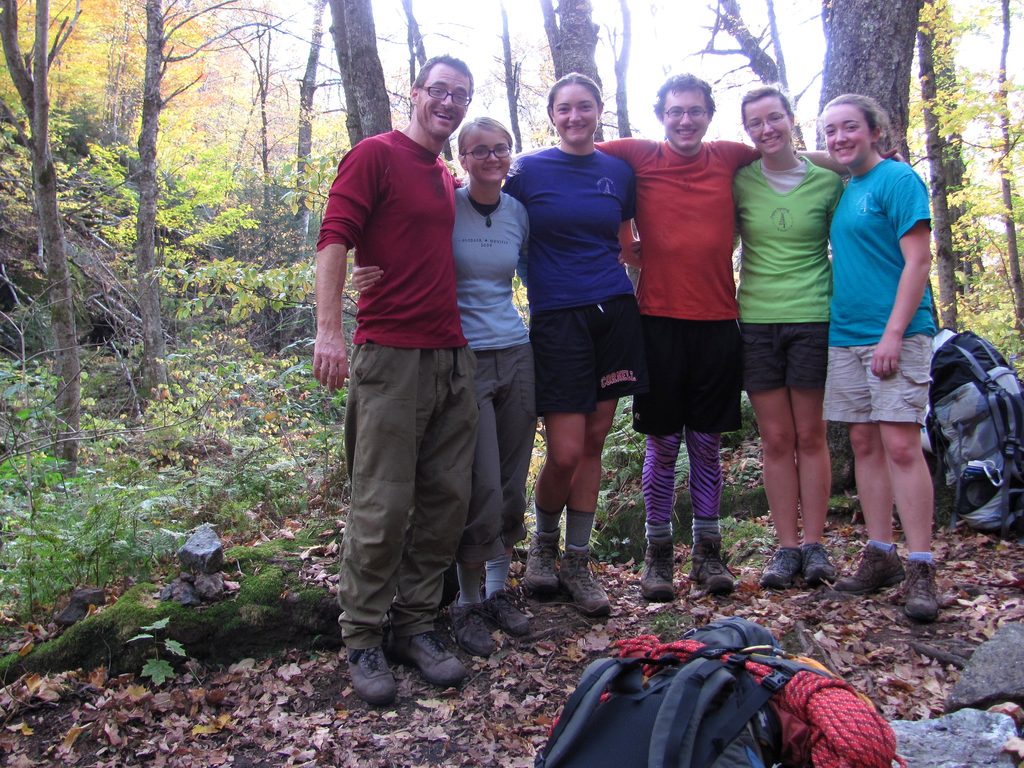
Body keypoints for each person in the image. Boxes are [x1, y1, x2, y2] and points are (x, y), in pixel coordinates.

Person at [312, 55, 479, 705]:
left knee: (444, 504)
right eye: (439, 90)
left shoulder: (444, 175)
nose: (449, 102)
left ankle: (414, 627)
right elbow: (334, 240)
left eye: (460, 95)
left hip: (451, 356)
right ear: (415, 94)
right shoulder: (373, 155)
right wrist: (330, 330)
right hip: (388, 357)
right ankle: (361, 638)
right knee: (381, 506)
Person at [350, 117, 535, 657]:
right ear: (461, 157)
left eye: (500, 148)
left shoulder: (519, 212)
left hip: (516, 351)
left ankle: (499, 592)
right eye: (478, 150)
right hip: (459, 355)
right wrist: (365, 270)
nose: (491, 158)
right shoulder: (443, 205)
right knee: (474, 486)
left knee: (510, 480)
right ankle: (467, 603)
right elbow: (397, 244)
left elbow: (534, 273)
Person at [599, 74, 759, 601]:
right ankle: (658, 555)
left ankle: (709, 554)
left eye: (694, 110)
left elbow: (791, 158)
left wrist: (867, 155)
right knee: (664, 443)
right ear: (661, 115)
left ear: (709, 114)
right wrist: (625, 242)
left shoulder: (730, 155)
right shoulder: (640, 155)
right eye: (675, 111)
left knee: (707, 444)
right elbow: (573, 148)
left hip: (717, 322)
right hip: (657, 322)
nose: (685, 120)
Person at [503, 73, 647, 617]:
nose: (575, 116)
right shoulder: (528, 170)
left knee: (593, 443)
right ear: (552, 115)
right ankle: (543, 547)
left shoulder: (618, 172)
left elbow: (627, 237)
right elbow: (482, 207)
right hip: (556, 317)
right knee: (562, 449)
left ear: (599, 110)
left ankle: (577, 562)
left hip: (614, 311)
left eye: (584, 107)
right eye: (565, 108)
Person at [819, 93, 939, 622]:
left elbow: (918, 261)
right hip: (845, 336)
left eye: (849, 128)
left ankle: (921, 566)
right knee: (864, 442)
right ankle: (879, 553)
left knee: (901, 444)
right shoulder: (848, 188)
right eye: (831, 131)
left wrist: (893, 334)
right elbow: (815, 158)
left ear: (875, 131)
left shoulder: (897, 180)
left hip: (898, 334)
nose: (840, 138)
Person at [732, 87, 844, 589]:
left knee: (811, 434)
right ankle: (786, 547)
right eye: (754, 122)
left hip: (814, 317)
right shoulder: (739, 182)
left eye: (774, 118)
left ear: (791, 119)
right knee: (776, 439)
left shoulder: (827, 183)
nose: (765, 129)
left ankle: (816, 545)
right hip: (755, 320)